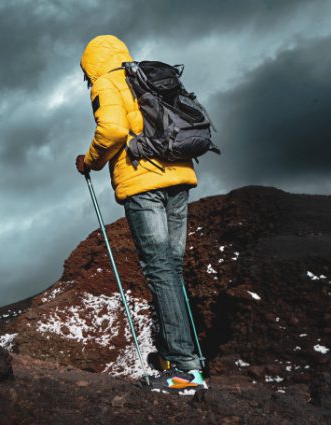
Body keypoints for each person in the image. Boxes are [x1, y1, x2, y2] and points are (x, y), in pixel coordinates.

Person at [75, 35, 207, 392]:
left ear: (90, 64)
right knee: (171, 269)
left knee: (160, 269)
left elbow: (113, 130)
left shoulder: (106, 82)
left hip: (142, 181)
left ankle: (185, 370)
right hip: (179, 177)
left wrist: (89, 162)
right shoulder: (144, 75)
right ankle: (173, 353)